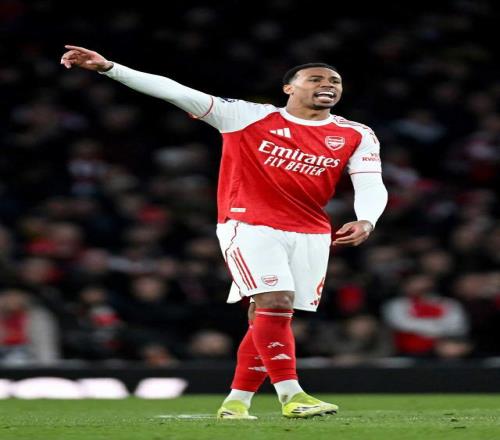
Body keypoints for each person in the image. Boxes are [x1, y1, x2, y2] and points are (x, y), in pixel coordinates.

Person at [60, 45, 388, 419]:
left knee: (266, 315)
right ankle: (292, 395)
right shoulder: (245, 116)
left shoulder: (355, 133)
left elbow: (370, 183)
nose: (327, 84)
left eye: (335, 81)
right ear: (289, 88)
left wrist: (367, 219)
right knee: (275, 302)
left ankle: (236, 402)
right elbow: (174, 91)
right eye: (315, 79)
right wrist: (109, 67)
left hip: (311, 231)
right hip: (249, 225)